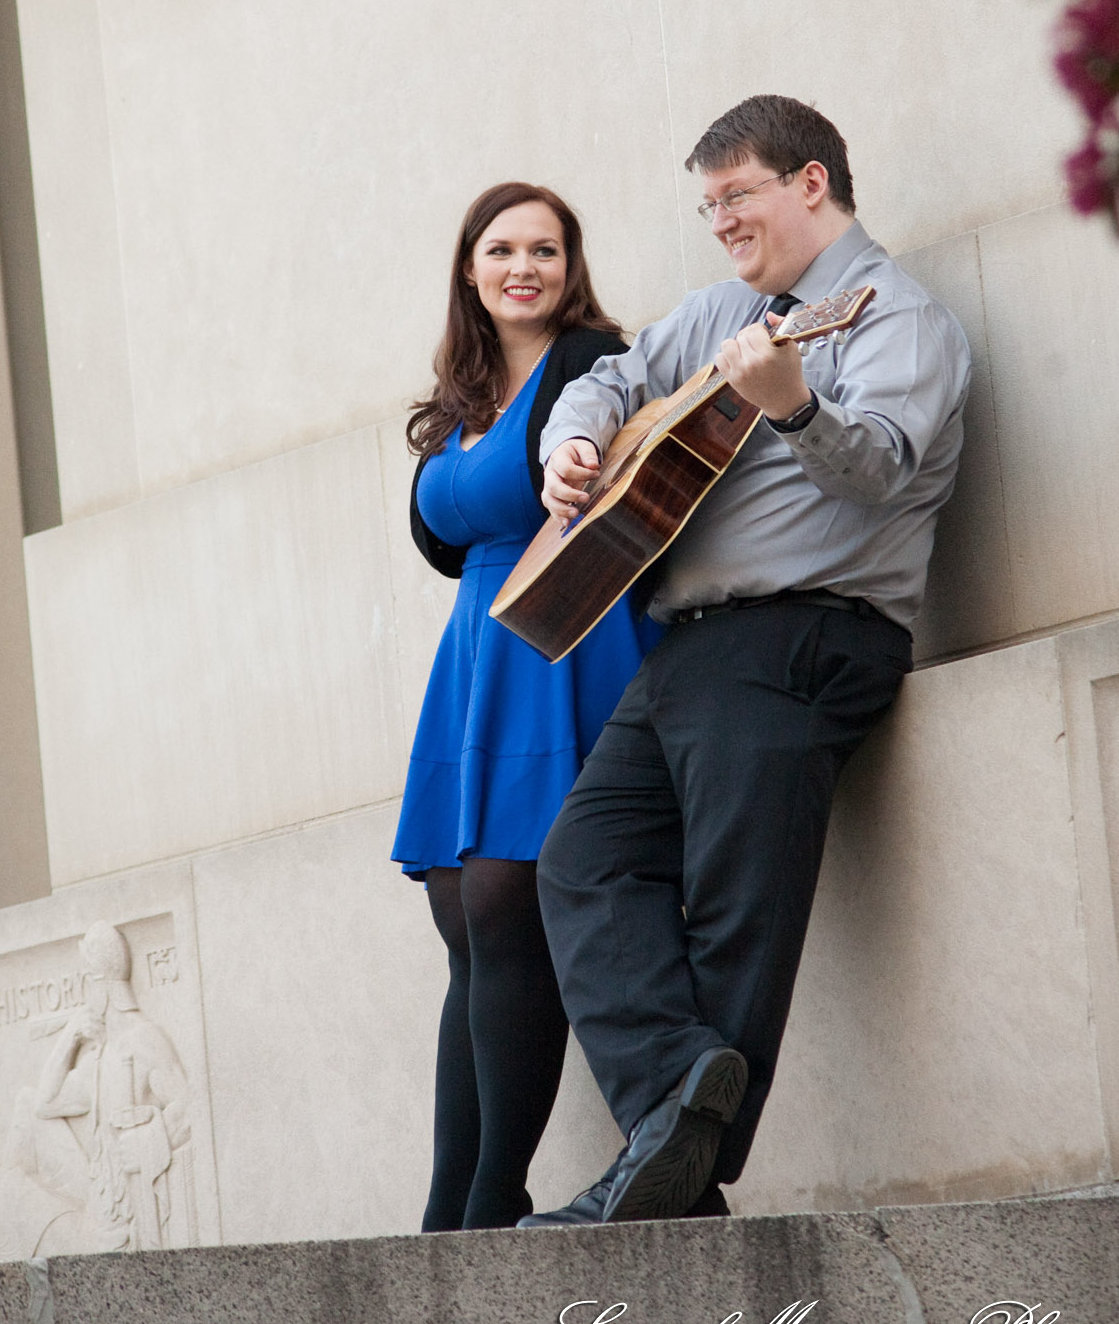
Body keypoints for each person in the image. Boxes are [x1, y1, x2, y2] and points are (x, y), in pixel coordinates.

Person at [521, 95, 972, 1226]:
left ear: (812, 182)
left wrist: (796, 408)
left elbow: (880, 472)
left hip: (806, 635)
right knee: (578, 861)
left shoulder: (898, 318)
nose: (720, 221)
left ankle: (660, 1182)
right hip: (689, 644)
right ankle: (675, 1105)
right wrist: (573, 439)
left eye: (737, 195)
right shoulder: (723, 309)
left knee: (737, 909)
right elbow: (610, 379)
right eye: (708, 203)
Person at [394, 181, 660, 1230]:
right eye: (502, 249)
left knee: (510, 902)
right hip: (476, 653)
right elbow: (438, 535)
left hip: (563, 639)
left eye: (545, 250)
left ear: (569, 266)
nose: (524, 267)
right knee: (463, 920)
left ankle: (494, 1193)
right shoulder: (459, 395)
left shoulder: (591, 359)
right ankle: (448, 1210)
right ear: (470, 268)